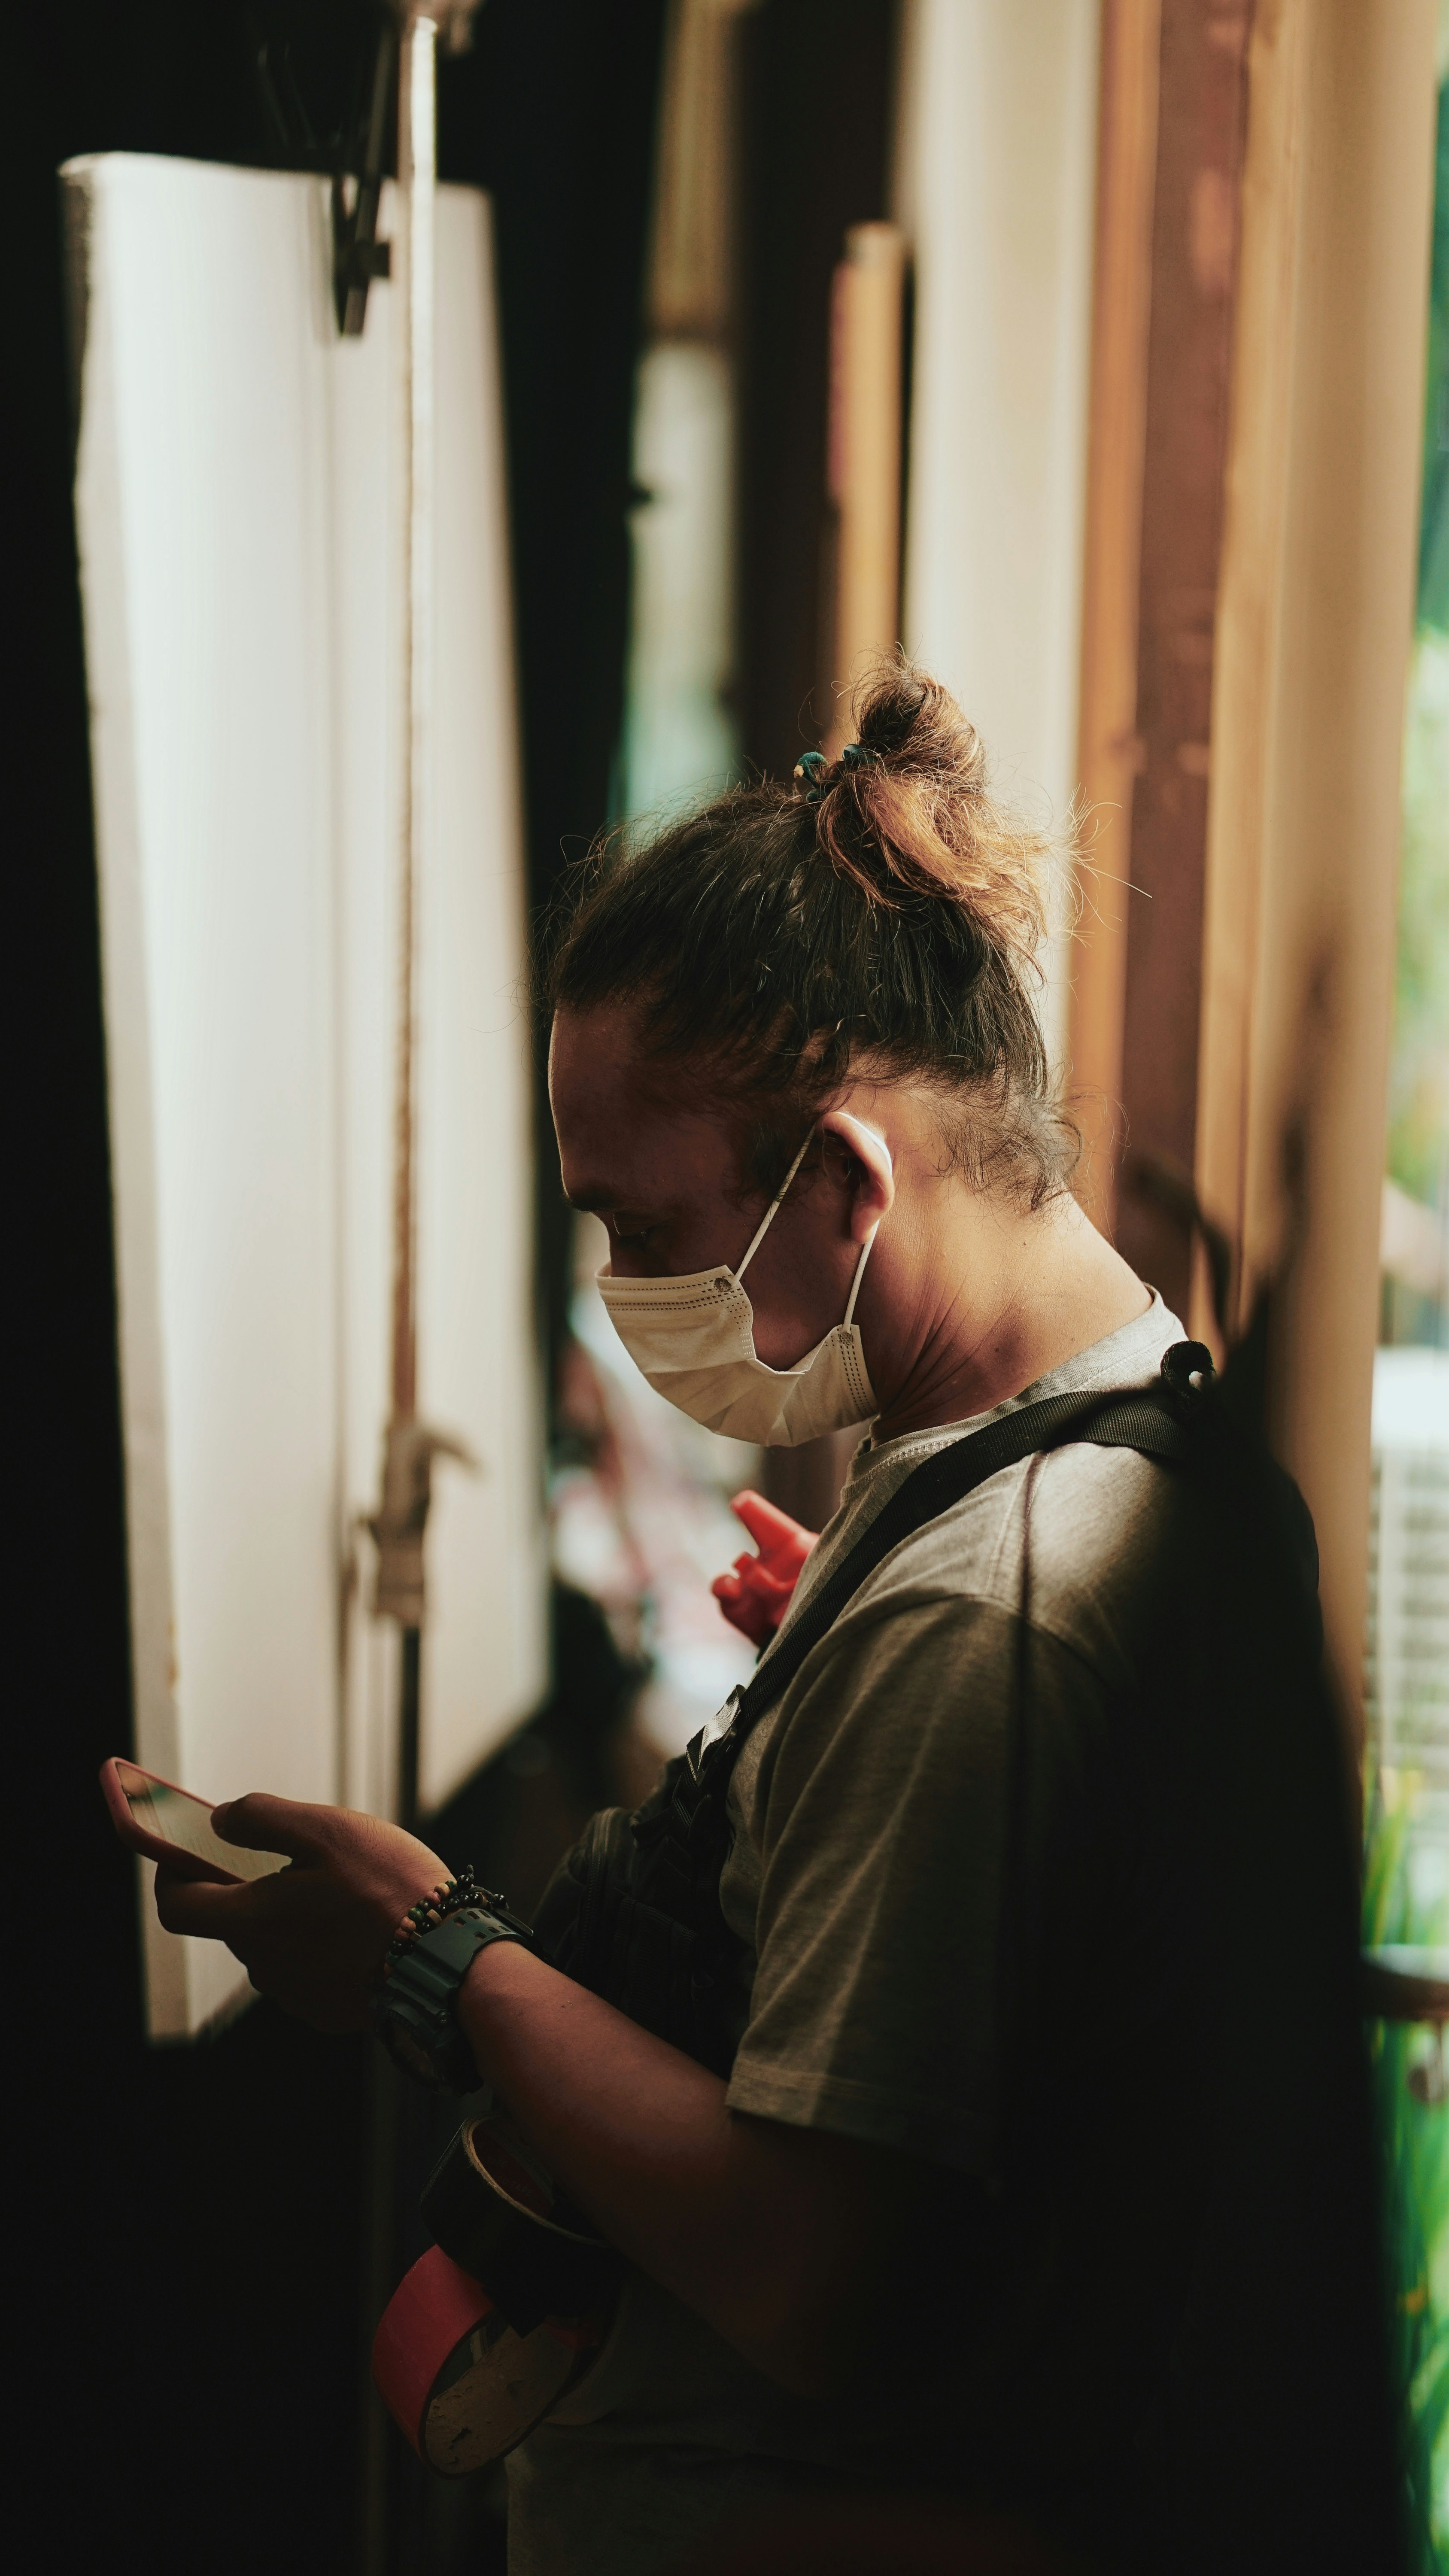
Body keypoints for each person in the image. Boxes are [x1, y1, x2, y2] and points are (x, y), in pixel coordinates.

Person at [158, 668, 1395, 2574]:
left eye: (639, 1227)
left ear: (838, 1180)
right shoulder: (1110, 1446)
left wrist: (432, 1951)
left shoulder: (993, 1605)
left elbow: (803, 2267)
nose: (624, 1285)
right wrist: (844, 1696)